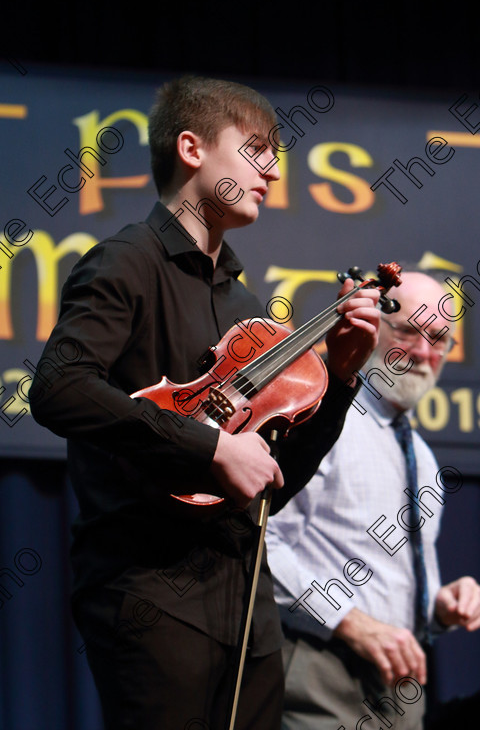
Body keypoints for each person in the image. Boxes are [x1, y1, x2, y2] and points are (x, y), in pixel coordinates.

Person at [28, 75, 381, 730]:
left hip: (247, 607)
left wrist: (344, 382)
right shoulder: (126, 262)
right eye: (254, 150)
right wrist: (210, 445)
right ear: (191, 149)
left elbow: (271, 483)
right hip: (150, 594)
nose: (273, 170)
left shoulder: (246, 309)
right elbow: (58, 387)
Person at [266, 270, 480, 730]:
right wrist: (348, 621)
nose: (423, 353)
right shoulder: (321, 422)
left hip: (399, 693)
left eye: (439, 339)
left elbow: (388, 585)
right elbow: (258, 544)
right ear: (374, 326)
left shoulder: (421, 456)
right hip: (318, 673)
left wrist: (440, 607)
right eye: (408, 330)